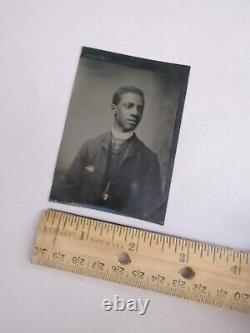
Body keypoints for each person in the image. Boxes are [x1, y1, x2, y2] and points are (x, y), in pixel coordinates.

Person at [50, 86, 163, 223]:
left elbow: (152, 209)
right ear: (114, 108)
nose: (135, 113)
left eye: (140, 108)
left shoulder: (149, 159)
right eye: (129, 106)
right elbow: (67, 192)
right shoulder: (90, 147)